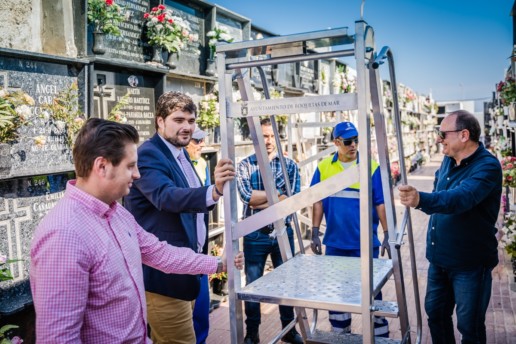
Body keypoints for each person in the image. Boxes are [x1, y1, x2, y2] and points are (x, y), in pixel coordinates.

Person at [29, 118, 244, 343]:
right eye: (130, 166)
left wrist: (219, 264)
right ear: (101, 166)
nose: (138, 175)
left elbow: (160, 253)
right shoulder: (65, 234)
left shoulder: (117, 213)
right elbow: (59, 338)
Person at [124, 91, 236, 344]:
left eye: (191, 120)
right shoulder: (149, 154)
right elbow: (167, 197)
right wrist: (215, 190)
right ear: (160, 121)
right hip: (164, 279)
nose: (187, 127)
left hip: (189, 269)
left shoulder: (180, 152)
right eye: (179, 120)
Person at [399, 110, 502, 343]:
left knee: (469, 326)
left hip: (470, 264)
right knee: (435, 315)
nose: (438, 138)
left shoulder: (487, 167)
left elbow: (461, 198)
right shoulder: (447, 160)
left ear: (464, 135)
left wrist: (420, 200)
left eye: (443, 133)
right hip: (439, 259)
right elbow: (441, 194)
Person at [310, 121, 389, 337]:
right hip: (335, 243)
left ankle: (380, 336)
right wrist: (315, 232)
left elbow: (380, 202)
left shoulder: (370, 166)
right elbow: (316, 199)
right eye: (347, 141)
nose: (353, 145)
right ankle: (341, 336)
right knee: (337, 293)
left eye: (356, 140)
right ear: (336, 142)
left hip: (365, 244)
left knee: (372, 292)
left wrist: (388, 233)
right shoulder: (324, 167)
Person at [236, 118, 303, 344]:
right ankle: (252, 333)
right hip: (255, 233)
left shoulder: (289, 165)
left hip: (283, 231)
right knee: (253, 285)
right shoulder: (245, 165)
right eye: (264, 136)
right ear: (255, 138)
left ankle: (289, 330)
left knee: (287, 282)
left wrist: (262, 197)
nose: (268, 141)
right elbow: (247, 198)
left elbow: (291, 199)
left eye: (272, 136)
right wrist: (277, 195)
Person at [186, 127, 211, 344]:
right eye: (196, 140)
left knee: (202, 310)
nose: (201, 145)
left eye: (202, 140)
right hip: (184, 251)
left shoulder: (203, 164)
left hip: (201, 246)